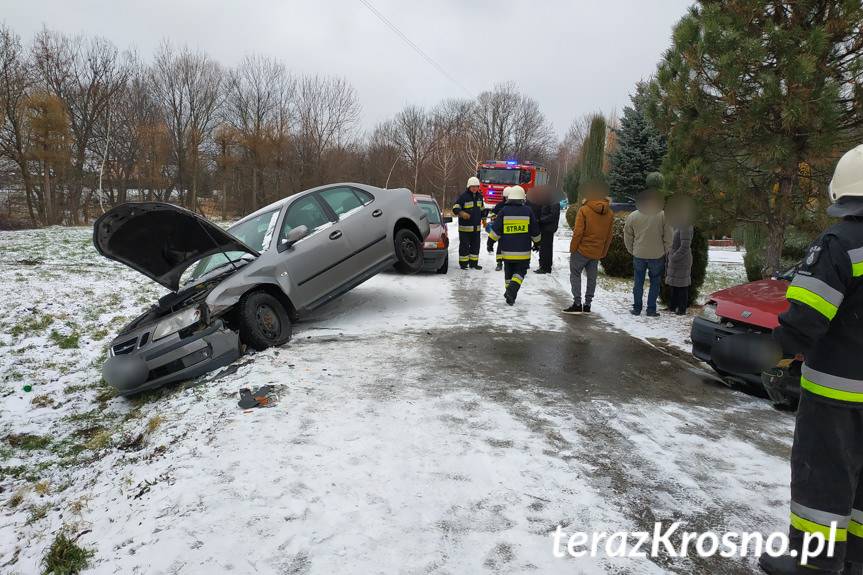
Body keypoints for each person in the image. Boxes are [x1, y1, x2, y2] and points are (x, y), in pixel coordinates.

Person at [754, 144, 863, 575]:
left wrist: (772, 352)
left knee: (826, 474)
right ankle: (855, 560)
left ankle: (813, 564)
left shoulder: (842, 244)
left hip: (839, 390)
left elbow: (806, 317)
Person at [562, 182, 614, 314]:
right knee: (592, 278)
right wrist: (603, 251)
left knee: (575, 274)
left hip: (582, 250)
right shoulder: (610, 213)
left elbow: (578, 232)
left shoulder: (584, 210)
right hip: (596, 251)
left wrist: (573, 248)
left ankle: (577, 303)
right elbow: (609, 235)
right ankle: (588, 304)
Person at [624, 186, 672, 317]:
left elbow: (628, 236)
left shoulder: (633, 216)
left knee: (638, 282)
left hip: (639, 254)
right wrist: (665, 250)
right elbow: (669, 236)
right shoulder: (662, 215)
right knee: (655, 282)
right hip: (657, 255)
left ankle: (637, 308)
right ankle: (651, 309)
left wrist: (631, 250)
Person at [488, 185, 541, 306]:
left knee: (508, 273)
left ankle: (509, 293)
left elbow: (496, 230)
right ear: (523, 198)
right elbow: (535, 231)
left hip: (507, 252)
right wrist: (537, 243)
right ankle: (511, 291)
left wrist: (490, 243)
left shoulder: (504, 211)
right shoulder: (528, 211)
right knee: (520, 272)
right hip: (523, 253)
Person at [664, 195, 695, 316]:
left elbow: (685, 246)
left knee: (682, 286)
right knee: (674, 285)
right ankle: (672, 306)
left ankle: (681, 309)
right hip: (675, 259)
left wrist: (674, 257)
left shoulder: (686, 226)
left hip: (682, 260)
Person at [452, 176, 486, 270]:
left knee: (476, 246)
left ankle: (474, 264)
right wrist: (461, 212)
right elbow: (455, 207)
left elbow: (482, 209)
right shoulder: (464, 197)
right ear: (468, 187)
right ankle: (463, 264)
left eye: (476, 186)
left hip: (476, 228)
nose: (475, 188)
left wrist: (484, 219)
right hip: (465, 229)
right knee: (464, 246)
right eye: (472, 186)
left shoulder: (479, 197)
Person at [536, 189, 562, 274]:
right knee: (544, 248)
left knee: (546, 248)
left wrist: (541, 220)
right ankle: (544, 265)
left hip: (548, 228)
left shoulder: (553, 202)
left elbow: (553, 215)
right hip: (545, 227)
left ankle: (545, 267)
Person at [487, 186, 512, 271]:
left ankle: (510, 263)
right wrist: (495, 217)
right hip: (501, 230)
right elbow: (492, 214)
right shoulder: (499, 205)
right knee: (500, 246)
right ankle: (499, 263)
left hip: (511, 230)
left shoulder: (516, 206)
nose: (508, 198)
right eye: (507, 197)